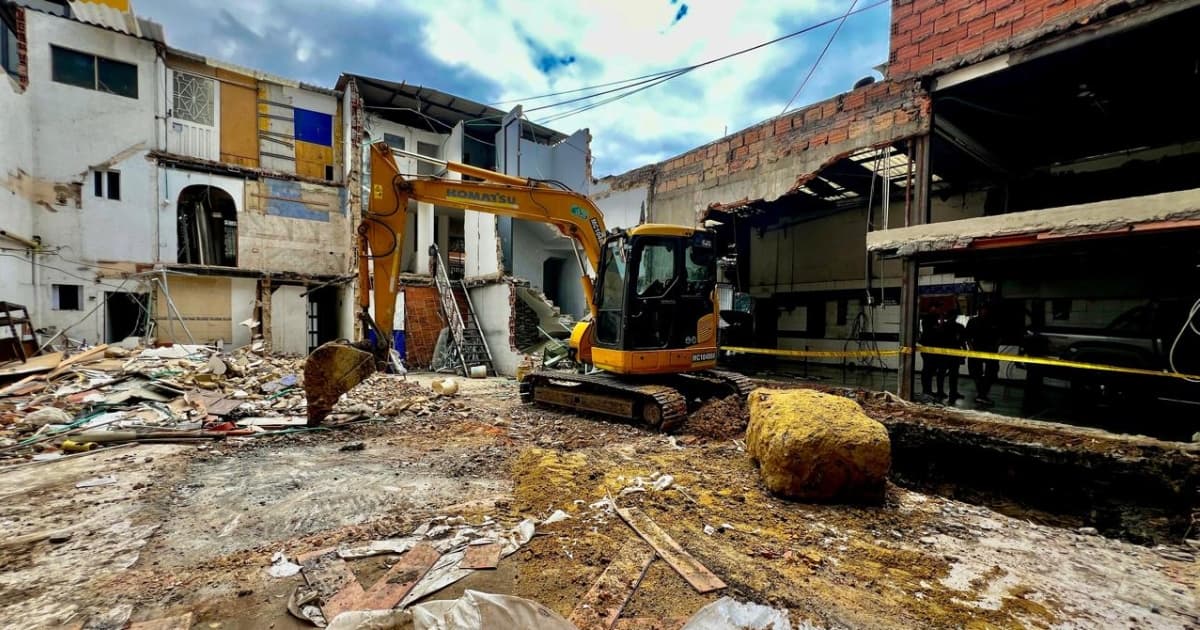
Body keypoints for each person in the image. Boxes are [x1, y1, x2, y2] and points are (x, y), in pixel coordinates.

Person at [966, 303, 1001, 406]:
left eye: (986, 309)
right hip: (977, 349)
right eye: (982, 309)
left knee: (992, 373)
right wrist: (972, 350)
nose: (984, 311)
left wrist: (995, 348)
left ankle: (982, 394)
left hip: (990, 350)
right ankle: (981, 395)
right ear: (979, 310)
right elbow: (967, 337)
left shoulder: (994, 321)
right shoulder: (973, 321)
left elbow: (1000, 336)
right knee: (976, 373)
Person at [936, 309, 966, 404]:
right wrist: (964, 352)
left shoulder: (943, 326)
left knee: (943, 373)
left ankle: (942, 392)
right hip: (952, 354)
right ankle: (951, 393)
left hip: (946, 354)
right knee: (952, 374)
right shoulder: (958, 327)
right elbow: (962, 341)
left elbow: (962, 341)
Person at [919, 305, 942, 399]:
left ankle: (928, 390)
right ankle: (926, 390)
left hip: (932, 349)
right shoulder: (928, 319)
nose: (938, 310)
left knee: (930, 370)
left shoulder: (933, 319)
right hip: (928, 349)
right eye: (936, 308)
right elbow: (937, 331)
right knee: (927, 370)